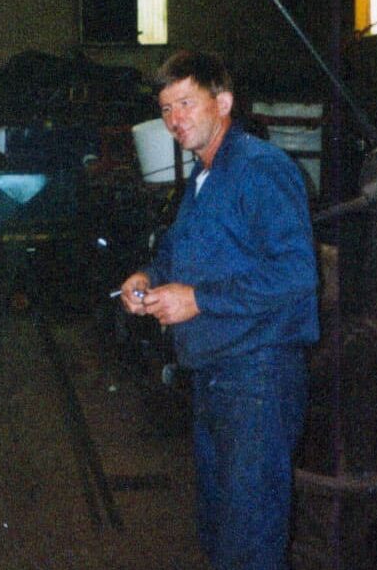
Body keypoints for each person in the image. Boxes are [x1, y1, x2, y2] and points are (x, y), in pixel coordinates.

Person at [119, 51, 319, 569]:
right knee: (220, 529)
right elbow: (179, 252)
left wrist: (198, 300)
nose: (174, 119)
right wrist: (149, 277)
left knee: (248, 538)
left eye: (186, 102)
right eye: (166, 109)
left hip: (257, 377)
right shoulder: (205, 178)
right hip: (214, 376)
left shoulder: (260, 169)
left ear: (223, 102)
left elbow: (296, 273)